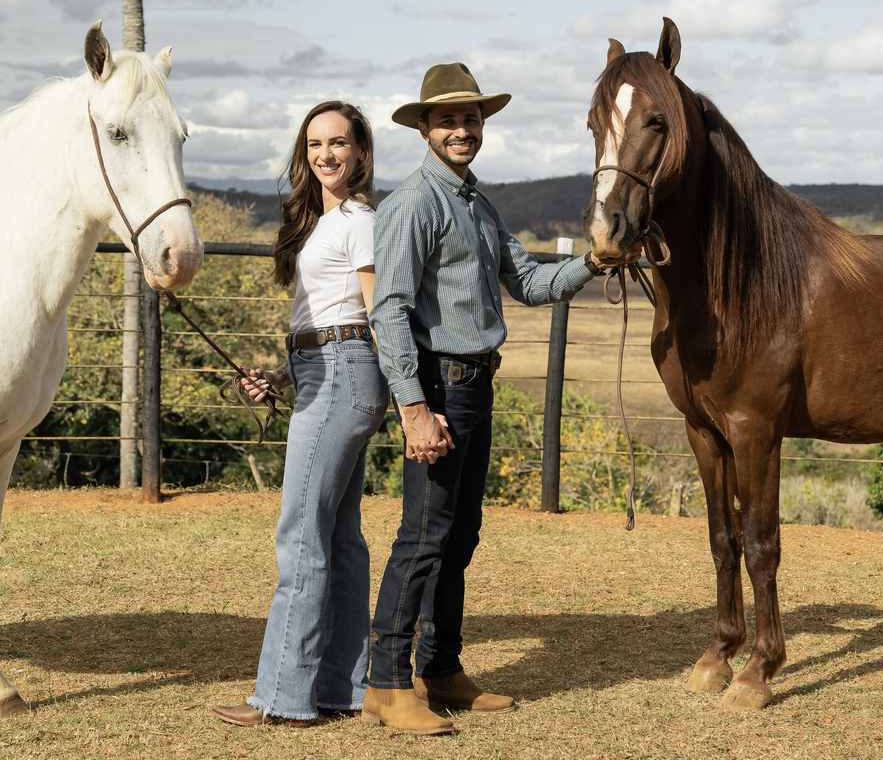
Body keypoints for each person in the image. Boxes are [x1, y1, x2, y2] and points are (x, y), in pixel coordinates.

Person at [362, 63, 627, 735]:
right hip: (441, 386)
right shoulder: (414, 204)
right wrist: (415, 409)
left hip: (475, 385)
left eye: (471, 118)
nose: (462, 129)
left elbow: (530, 282)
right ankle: (388, 683)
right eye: (448, 119)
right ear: (424, 128)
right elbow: (388, 311)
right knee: (422, 537)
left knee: (460, 533)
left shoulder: (477, 204)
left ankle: (442, 668)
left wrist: (592, 265)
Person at [211, 101, 387, 728]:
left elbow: (374, 314)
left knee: (301, 537)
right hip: (326, 370)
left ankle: (282, 697)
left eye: (338, 142)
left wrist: (412, 401)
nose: (325, 155)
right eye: (315, 144)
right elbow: (331, 317)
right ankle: (344, 687)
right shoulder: (329, 219)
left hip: (343, 373)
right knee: (338, 539)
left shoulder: (361, 220)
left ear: (361, 150)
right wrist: (285, 374)